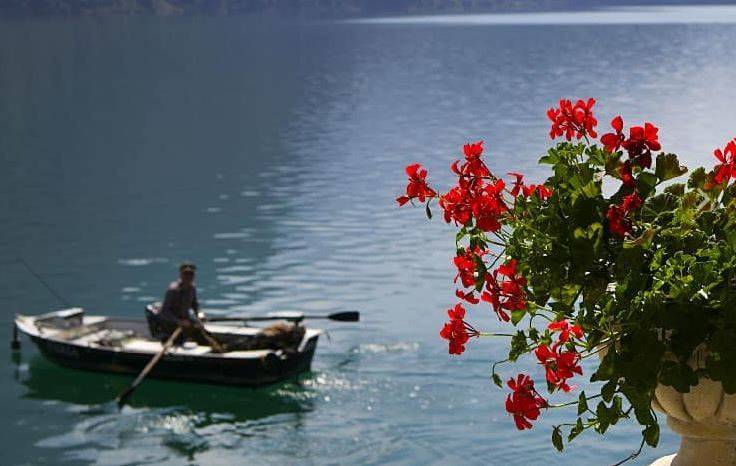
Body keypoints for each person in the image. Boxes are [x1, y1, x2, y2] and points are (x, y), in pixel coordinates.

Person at [159, 262, 225, 352]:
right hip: (171, 324)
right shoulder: (173, 290)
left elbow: (194, 304)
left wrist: (199, 314)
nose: (188, 277)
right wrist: (179, 321)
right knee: (193, 336)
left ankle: (217, 347)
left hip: (186, 321)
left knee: (206, 334)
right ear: (181, 275)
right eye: (186, 274)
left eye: (191, 274)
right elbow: (165, 312)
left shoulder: (192, 288)